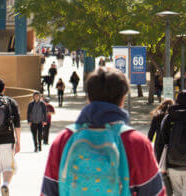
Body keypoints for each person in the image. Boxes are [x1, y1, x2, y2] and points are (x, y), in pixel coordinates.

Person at [41, 67, 164, 196]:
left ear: (89, 98)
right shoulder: (136, 142)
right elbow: (155, 193)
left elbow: (48, 191)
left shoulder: (64, 139)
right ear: (122, 99)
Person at [153, 91, 186, 196]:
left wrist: (160, 162)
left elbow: (161, 142)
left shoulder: (169, 118)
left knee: (177, 193)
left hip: (173, 165)